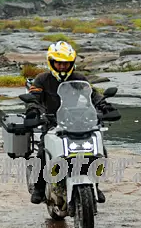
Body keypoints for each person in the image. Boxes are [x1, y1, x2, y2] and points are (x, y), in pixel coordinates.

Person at [23, 41, 118, 205]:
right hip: (52, 123)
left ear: (71, 63)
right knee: (42, 152)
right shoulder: (42, 79)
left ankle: (94, 183)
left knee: (98, 150)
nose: (62, 66)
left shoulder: (79, 78)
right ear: (52, 63)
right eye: (58, 63)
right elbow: (34, 98)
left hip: (78, 121)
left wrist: (105, 106)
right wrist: (33, 111)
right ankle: (39, 187)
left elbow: (93, 95)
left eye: (65, 63)